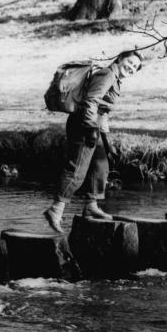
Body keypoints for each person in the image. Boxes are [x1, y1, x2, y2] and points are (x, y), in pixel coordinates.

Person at [43, 50, 144, 233]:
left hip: (93, 125)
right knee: (77, 169)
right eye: (129, 62)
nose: (131, 68)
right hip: (83, 124)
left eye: (135, 67)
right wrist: (90, 128)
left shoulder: (115, 78)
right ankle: (56, 210)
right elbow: (91, 101)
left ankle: (91, 205)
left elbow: (102, 111)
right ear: (120, 59)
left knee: (101, 165)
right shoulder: (107, 75)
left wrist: (106, 141)